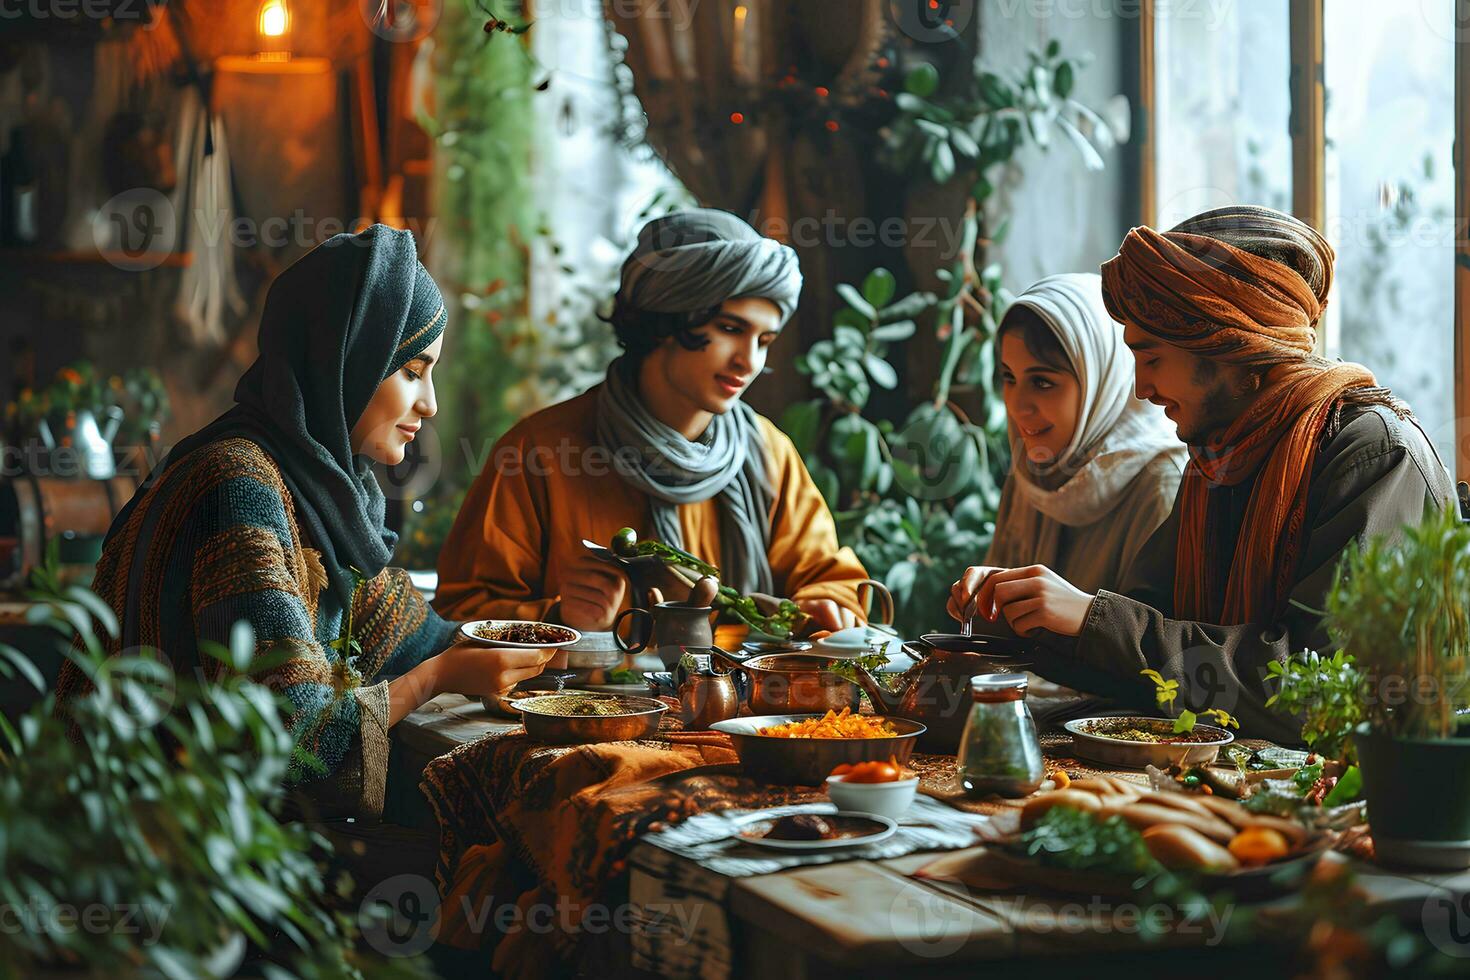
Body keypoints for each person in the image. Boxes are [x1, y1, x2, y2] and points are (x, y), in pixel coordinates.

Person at [55, 226, 553, 815]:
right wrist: (435, 679)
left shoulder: (319, 492)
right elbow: (289, 734)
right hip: (140, 847)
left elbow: (415, 637)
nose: (431, 403)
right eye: (413, 371)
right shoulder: (238, 484)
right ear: (349, 360)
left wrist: (572, 639)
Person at [947, 206, 1456, 740]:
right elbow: (1147, 637)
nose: (1141, 388)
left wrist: (1093, 619)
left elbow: (1319, 692)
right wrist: (1027, 617)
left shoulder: (1372, 457)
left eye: (1153, 358)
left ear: (1228, 344)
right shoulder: (1218, 459)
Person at [435, 208, 869, 632]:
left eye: (765, 340)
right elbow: (460, 613)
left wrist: (828, 605)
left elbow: (829, 579)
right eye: (731, 329)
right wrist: (559, 618)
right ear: (664, 320)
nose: (749, 361)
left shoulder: (768, 453)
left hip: (747, 706)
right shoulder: (541, 453)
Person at [984, 272, 1185, 597]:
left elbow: (1148, 644)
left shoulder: (1161, 486)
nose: (1017, 406)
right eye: (1009, 377)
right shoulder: (1034, 468)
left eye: (1042, 382)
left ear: (1099, 383)